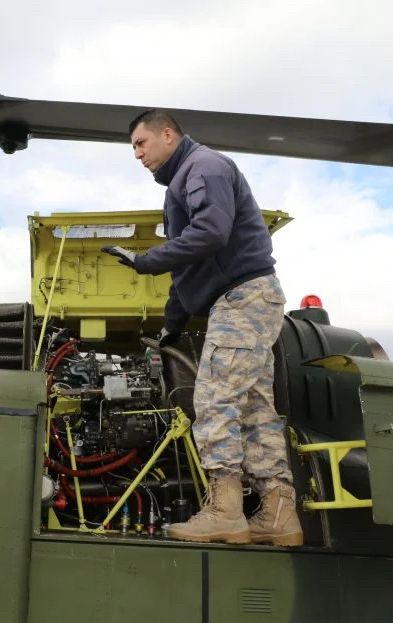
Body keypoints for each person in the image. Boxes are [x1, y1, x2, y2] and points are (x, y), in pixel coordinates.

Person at [101, 109, 303, 547]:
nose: (137, 154)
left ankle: (226, 511)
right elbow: (190, 269)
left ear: (168, 134)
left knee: (213, 399)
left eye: (141, 143)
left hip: (242, 299)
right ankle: (280, 514)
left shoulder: (203, 166)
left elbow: (211, 232)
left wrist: (145, 262)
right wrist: (170, 330)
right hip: (245, 301)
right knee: (253, 410)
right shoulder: (186, 181)